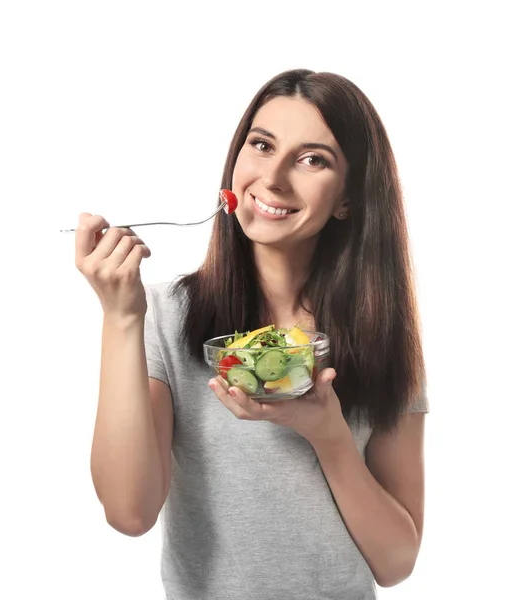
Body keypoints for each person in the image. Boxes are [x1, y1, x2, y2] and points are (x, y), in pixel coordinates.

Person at [75, 68, 428, 599]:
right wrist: (122, 318)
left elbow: (397, 563)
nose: (274, 178)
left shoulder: (380, 335)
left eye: (313, 159)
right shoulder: (167, 315)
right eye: (262, 145)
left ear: (348, 199)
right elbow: (129, 512)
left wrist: (329, 436)